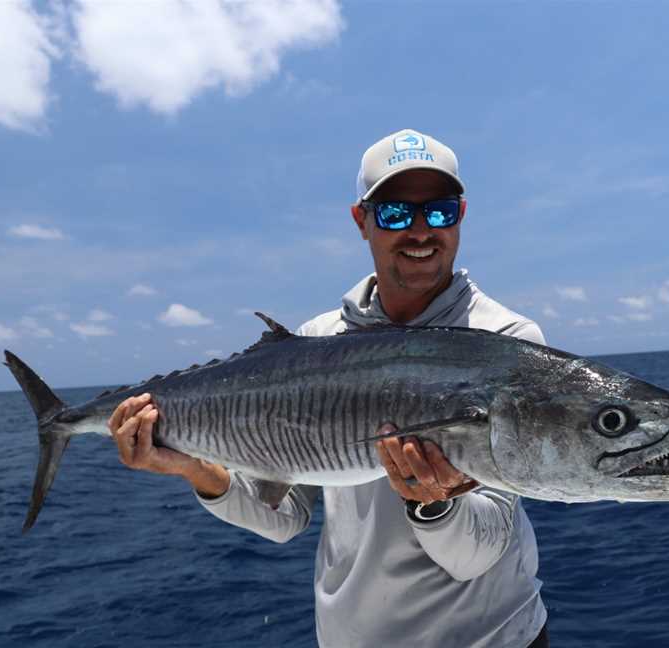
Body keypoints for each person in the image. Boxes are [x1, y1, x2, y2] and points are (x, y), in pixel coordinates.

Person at [108, 129, 550, 647]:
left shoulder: (506, 343)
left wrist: (438, 506)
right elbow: (284, 516)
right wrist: (191, 466)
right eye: (394, 213)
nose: (420, 230)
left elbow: (477, 554)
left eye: (439, 211)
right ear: (362, 221)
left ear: (461, 215)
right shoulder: (318, 342)